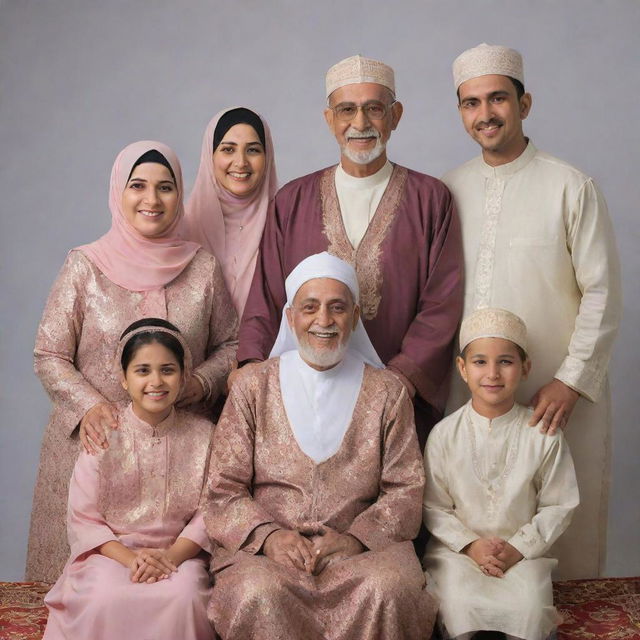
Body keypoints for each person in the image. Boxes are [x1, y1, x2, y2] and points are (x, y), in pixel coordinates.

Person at [443, 43, 621, 579]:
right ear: (460, 112)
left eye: (498, 98)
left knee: (563, 535)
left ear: (526, 103)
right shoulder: (448, 191)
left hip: (555, 394)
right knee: (471, 528)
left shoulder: (571, 186)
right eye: (471, 103)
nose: (486, 114)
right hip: (472, 394)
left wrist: (571, 381)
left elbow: (603, 292)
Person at [27, 140, 238, 583]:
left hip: (179, 453)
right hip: (96, 446)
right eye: (137, 186)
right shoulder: (85, 266)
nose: (151, 199)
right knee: (85, 589)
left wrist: (200, 381)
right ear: (118, 193)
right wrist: (90, 406)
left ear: (180, 195)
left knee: (177, 586)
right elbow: (50, 353)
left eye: (165, 188)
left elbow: (232, 345)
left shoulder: (201, 267)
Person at [235, 54, 463, 447]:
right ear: (329, 120)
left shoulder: (431, 199)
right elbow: (267, 296)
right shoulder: (293, 200)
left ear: (396, 116)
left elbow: (442, 304)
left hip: (398, 401)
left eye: (374, 108)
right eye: (347, 110)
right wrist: (252, 369)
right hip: (302, 398)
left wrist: (399, 383)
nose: (360, 124)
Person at [205, 252, 437, 640]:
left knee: (389, 589)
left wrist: (356, 539)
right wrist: (270, 538)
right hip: (269, 553)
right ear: (290, 316)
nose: (324, 321)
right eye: (310, 308)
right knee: (257, 591)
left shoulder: (387, 391)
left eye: (337, 308)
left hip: (364, 552)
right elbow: (222, 489)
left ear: (356, 315)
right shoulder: (252, 387)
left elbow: (406, 489)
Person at [43, 319, 215, 640]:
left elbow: (211, 512)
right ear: (123, 378)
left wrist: (171, 556)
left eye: (167, 369)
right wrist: (132, 559)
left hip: (179, 555)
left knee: (186, 598)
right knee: (102, 598)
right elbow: (84, 518)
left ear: (183, 375)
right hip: (111, 555)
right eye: (142, 370)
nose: (155, 381)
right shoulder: (103, 432)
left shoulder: (205, 437)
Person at [424, 308, 579, 640]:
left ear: (525, 368)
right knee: (459, 604)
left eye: (505, 362)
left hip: (523, 555)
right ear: (462, 369)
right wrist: (472, 546)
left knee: (528, 610)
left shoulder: (543, 433)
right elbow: (433, 507)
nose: (492, 373)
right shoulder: (444, 434)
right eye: (480, 362)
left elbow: (559, 505)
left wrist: (517, 548)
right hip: (458, 555)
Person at [185, 107, 278, 317]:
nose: (241, 162)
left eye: (253, 150)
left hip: (270, 349)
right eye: (228, 149)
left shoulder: (285, 225)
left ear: (267, 156)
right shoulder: (181, 228)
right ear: (210, 155)